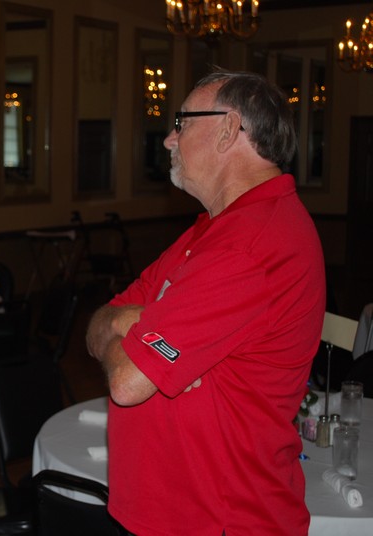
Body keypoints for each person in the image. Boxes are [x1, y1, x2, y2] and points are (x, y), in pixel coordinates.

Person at [85, 69, 325, 535]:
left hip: (219, 519)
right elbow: (98, 321)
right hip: (174, 513)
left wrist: (129, 332)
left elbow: (126, 381)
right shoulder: (213, 232)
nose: (170, 140)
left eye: (182, 121)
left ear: (228, 129)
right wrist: (138, 320)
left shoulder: (253, 244)